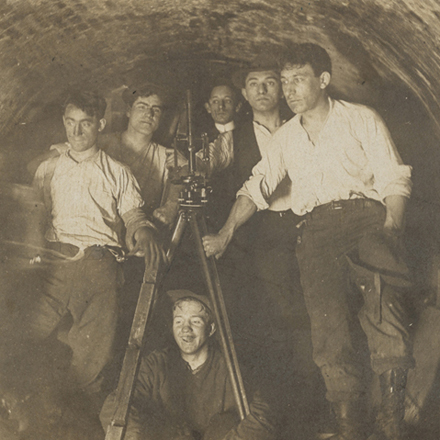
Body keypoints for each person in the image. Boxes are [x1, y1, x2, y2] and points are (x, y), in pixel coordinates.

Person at [203, 43, 414, 440]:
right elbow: (256, 186)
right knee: (327, 329)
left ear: (323, 80)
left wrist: (391, 230)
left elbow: (393, 176)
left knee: (384, 311)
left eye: (298, 80)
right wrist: (225, 232)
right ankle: (348, 427)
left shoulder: (361, 119)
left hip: (366, 219)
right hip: (315, 231)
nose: (289, 90)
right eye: (284, 82)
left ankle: (391, 426)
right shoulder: (286, 137)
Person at [24, 90, 165, 414]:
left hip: (100, 263)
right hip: (55, 261)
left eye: (85, 124)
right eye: (70, 123)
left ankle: (80, 420)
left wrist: (144, 233)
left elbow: (134, 216)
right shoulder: (48, 169)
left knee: (94, 355)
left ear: (100, 124)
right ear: (63, 122)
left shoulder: (117, 171)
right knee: (22, 331)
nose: (76, 132)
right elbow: (35, 214)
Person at [100, 290, 277, 440]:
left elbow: (265, 413)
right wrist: (133, 435)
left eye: (195, 321)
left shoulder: (230, 368)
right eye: (179, 321)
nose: (186, 329)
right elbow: (115, 403)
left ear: (211, 328)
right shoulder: (155, 364)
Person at [27, 82, 187, 228]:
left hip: (136, 230)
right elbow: (44, 161)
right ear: (129, 111)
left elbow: (187, 174)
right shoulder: (100, 141)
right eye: (142, 107)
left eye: (156, 110)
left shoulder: (165, 155)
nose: (149, 114)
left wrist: (171, 206)